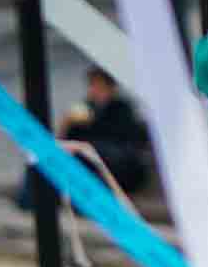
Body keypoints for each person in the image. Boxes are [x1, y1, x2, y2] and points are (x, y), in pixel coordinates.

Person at [14, 67, 153, 207]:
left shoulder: (122, 109)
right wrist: (66, 123)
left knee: (87, 156)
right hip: (88, 162)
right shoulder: (84, 109)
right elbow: (63, 142)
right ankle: (30, 200)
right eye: (92, 86)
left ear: (111, 89)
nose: (95, 91)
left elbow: (128, 148)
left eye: (100, 87)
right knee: (43, 156)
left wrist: (93, 130)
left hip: (117, 167)